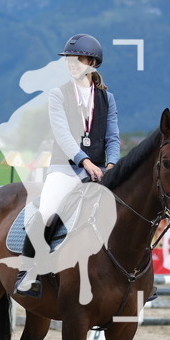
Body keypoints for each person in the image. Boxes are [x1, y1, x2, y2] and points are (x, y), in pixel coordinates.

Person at [14, 34, 121, 297]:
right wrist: (85, 162)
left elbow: (113, 138)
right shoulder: (57, 95)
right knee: (48, 210)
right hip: (65, 169)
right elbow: (62, 134)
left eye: (78, 59)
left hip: (100, 172)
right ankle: (28, 273)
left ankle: (139, 279)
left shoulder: (108, 100)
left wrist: (111, 165)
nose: (71, 63)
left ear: (92, 62)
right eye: (69, 59)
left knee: (131, 212)